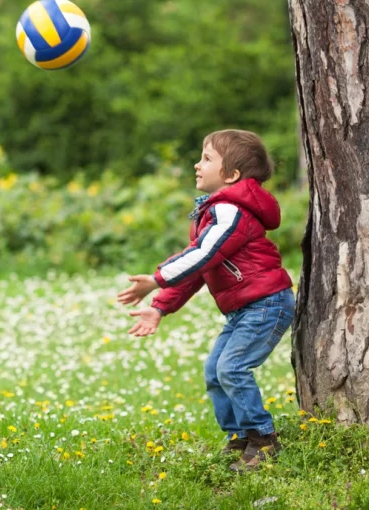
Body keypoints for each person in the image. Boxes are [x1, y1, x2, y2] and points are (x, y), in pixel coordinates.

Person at [116, 129, 294, 472]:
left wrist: (156, 279)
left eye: (207, 158)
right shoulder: (217, 211)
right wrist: (159, 306)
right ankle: (239, 438)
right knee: (215, 370)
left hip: (266, 303)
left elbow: (202, 255)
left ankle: (264, 440)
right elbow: (200, 268)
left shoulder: (231, 211)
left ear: (232, 175)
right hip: (247, 308)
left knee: (232, 368)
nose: (197, 165)